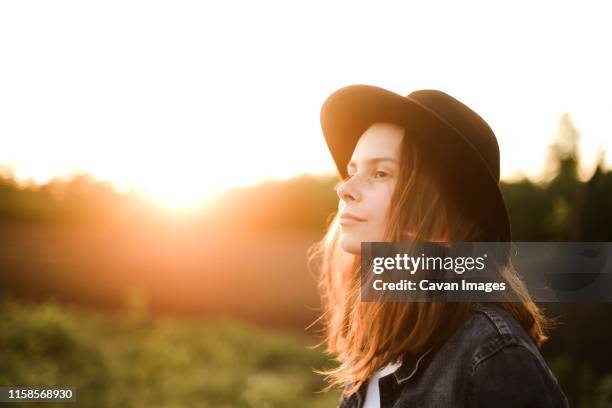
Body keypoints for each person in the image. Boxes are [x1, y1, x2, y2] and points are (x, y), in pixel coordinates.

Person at [308, 85, 570, 407]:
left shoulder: (492, 354)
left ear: (440, 211)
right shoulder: (378, 346)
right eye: (352, 171)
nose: (345, 188)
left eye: (380, 172)